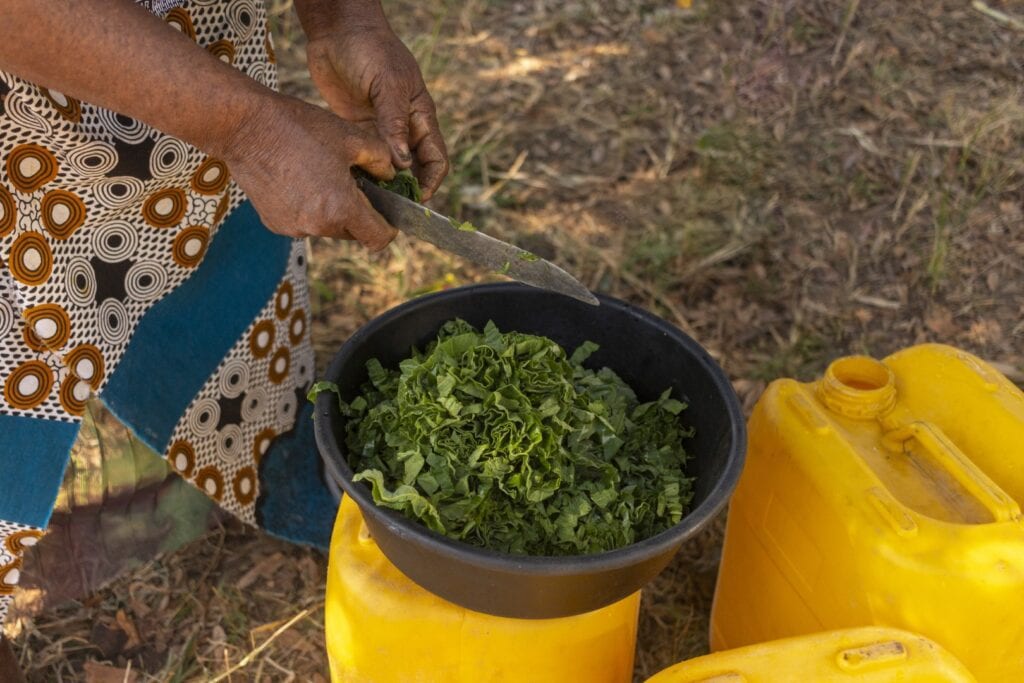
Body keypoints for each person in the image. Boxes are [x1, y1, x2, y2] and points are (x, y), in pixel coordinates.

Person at [0, 0, 448, 673]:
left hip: (193, 53)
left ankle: (183, 470)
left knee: (199, 269)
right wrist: (249, 126)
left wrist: (343, 22)